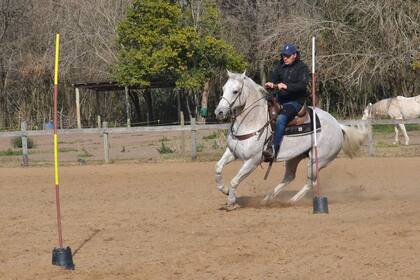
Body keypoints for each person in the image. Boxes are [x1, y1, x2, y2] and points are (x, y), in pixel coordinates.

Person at [263, 43, 310, 161]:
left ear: (294, 55)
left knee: (281, 118)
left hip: (295, 102)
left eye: (287, 56)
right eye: (284, 55)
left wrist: (286, 86)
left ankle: (274, 148)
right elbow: (274, 77)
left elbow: (302, 85)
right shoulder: (280, 65)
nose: (285, 58)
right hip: (279, 100)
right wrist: (270, 83)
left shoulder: (302, 68)